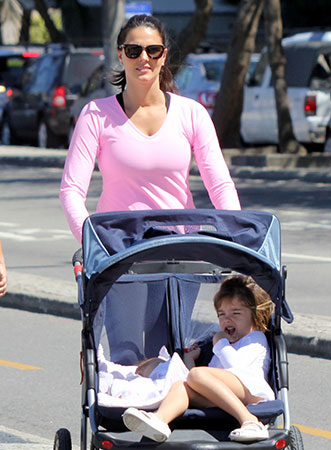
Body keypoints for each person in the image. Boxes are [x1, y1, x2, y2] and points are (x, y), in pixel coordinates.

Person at [59, 14, 241, 243]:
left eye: (152, 50)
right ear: (121, 55)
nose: (143, 58)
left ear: (163, 56)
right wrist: (94, 242)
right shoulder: (95, 115)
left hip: (180, 249)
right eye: (133, 50)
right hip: (119, 252)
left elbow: (220, 186)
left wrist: (237, 240)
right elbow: (71, 191)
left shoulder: (192, 114)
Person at [122, 275, 275, 442]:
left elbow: (236, 367)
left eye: (236, 313)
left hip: (251, 392)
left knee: (197, 375)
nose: (227, 320)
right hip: (224, 395)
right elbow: (196, 379)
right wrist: (190, 359)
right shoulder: (221, 347)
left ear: (257, 317)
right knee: (182, 385)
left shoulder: (255, 338)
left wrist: (219, 341)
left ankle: (250, 420)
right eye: (221, 315)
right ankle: (160, 420)